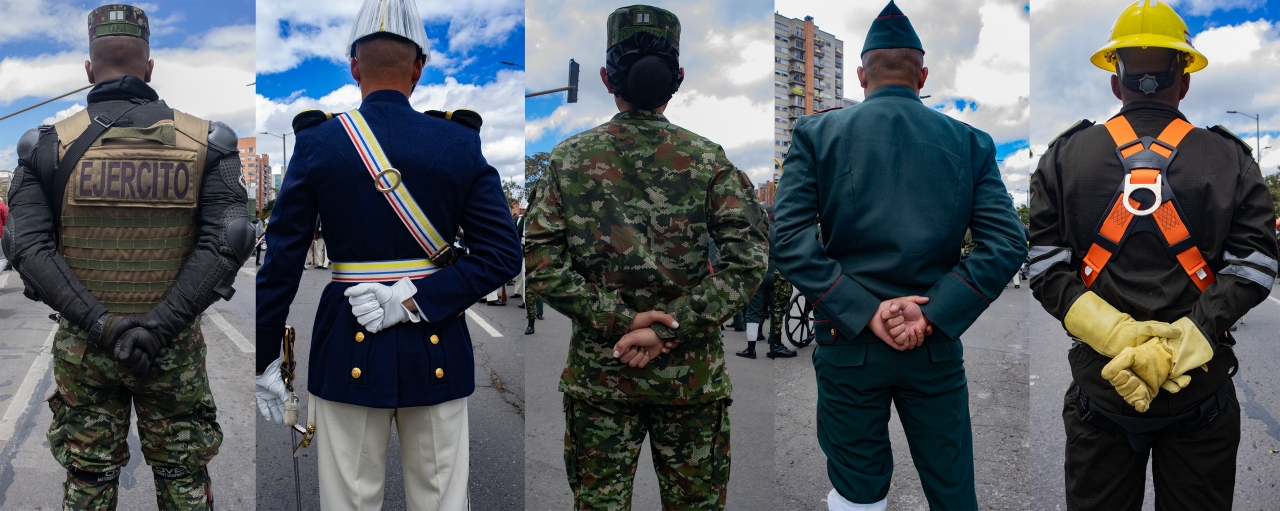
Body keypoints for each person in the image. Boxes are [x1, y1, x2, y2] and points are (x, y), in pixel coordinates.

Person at [253, 0, 521, 509]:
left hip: (345, 346)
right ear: (419, 67)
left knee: (348, 500)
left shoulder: (318, 144)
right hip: (437, 343)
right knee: (440, 499)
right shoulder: (459, 142)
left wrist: (267, 359)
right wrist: (416, 299)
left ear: (354, 66)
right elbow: (503, 254)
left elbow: (280, 268)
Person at [772, 2, 1027, 510]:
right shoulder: (969, 142)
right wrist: (931, 312)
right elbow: (1007, 243)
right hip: (931, 346)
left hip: (847, 341)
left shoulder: (816, 134)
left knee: (856, 488)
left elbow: (788, 241)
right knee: (952, 488)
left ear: (861, 74)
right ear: (922, 74)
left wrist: (863, 310)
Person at [2, 4, 253, 508]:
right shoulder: (208, 142)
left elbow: (26, 248)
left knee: (89, 479)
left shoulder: (45, 147)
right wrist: (159, 326)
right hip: (173, 349)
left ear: (89, 71)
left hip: (86, 352)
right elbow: (230, 239)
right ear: (150, 68)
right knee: (183, 475)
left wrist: (102, 325)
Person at [1028, 2, 1277, 508]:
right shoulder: (1229, 157)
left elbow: (1044, 266)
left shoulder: (1061, 157)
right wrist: (1182, 341)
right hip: (1198, 392)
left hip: (1101, 392)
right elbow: (1257, 264)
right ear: (1183, 79)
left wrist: (1117, 336)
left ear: (1115, 81)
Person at [524, 5, 767, 509]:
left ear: (604, 77)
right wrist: (666, 328)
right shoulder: (709, 159)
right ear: (677, 79)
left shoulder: (568, 160)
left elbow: (540, 259)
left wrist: (619, 320)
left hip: (601, 378)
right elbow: (748, 261)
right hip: (691, 382)